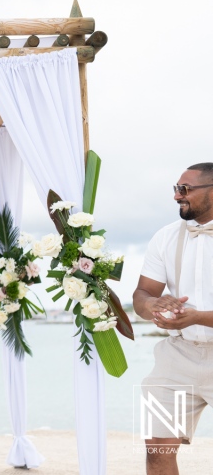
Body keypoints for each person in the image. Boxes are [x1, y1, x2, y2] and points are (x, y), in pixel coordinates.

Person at [134, 162, 213, 475]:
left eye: (186, 189)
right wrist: (154, 304)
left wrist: (196, 317)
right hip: (178, 357)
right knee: (158, 450)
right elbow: (141, 294)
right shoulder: (165, 237)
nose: (177, 196)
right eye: (176, 189)